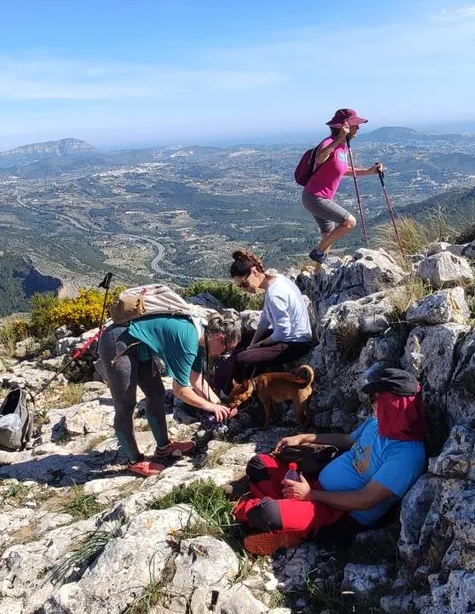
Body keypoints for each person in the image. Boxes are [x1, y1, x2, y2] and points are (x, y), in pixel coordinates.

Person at [232, 366, 427, 555]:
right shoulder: (377, 424)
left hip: (340, 514)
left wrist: (311, 495)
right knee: (260, 464)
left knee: (266, 513)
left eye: (376, 399)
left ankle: (282, 522)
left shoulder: (407, 455)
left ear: (393, 406)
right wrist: (304, 437)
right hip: (317, 489)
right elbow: (347, 440)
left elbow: (364, 501)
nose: (372, 403)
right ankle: (289, 522)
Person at [98, 310, 242, 477]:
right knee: (126, 404)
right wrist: (211, 407)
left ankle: (164, 448)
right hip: (118, 342)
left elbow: (196, 380)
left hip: (139, 345)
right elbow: (180, 390)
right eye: (225, 351)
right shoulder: (189, 340)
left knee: (156, 394)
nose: (222, 356)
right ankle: (134, 461)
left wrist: (220, 405)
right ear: (220, 339)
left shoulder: (202, 338)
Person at [302, 108, 384, 265]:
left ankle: (319, 271)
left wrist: (369, 171)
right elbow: (320, 157)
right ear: (344, 126)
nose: (358, 128)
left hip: (319, 197)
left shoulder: (342, 147)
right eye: (355, 124)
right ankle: (317, 252)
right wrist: (339, 139)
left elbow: (343, 169)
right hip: (315, 197)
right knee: (349, 222)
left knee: (328, 235)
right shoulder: (330, 143)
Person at [227, 249, 313, 383]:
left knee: (241, 359)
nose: (245, 289)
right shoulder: (276, 280)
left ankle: (236, 395)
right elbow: (265, 319)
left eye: (245, 283)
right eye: (240, 287)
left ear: (254, 271)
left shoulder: (274, 295)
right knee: (245, 337)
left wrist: (258, 345)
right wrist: (253, 342)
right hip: (291, 336)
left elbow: (282, 333)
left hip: (296, 344)